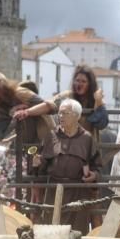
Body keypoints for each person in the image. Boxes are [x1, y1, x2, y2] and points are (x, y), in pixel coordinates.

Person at [47, 98, 100, 232]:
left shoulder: (87, 138)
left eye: (65, 113)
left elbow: (97, 166)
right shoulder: (52, 136)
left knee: (77, 233)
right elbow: (41, 166)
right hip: (54, 191)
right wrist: (36, 163)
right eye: (59, 113)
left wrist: (94, 175)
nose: (60, 116)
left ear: (77, 116)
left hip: (78, 192)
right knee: (52, 232)